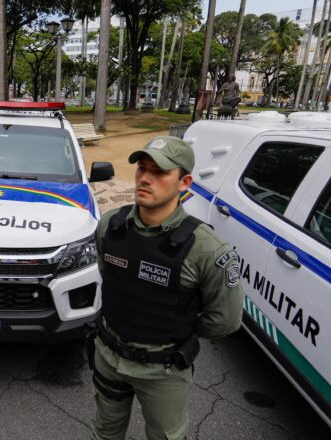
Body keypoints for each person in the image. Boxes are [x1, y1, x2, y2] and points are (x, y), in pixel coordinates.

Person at [90, 136, 243, 440]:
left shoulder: (206, 249)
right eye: (141, 169)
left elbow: (224, 321)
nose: (145, 178)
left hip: (162, 371)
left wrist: (174, 326)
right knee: (104, 432)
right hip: (108, 356)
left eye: (159, 173)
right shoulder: (110, 226)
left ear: (184, 182)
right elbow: (109, 276)